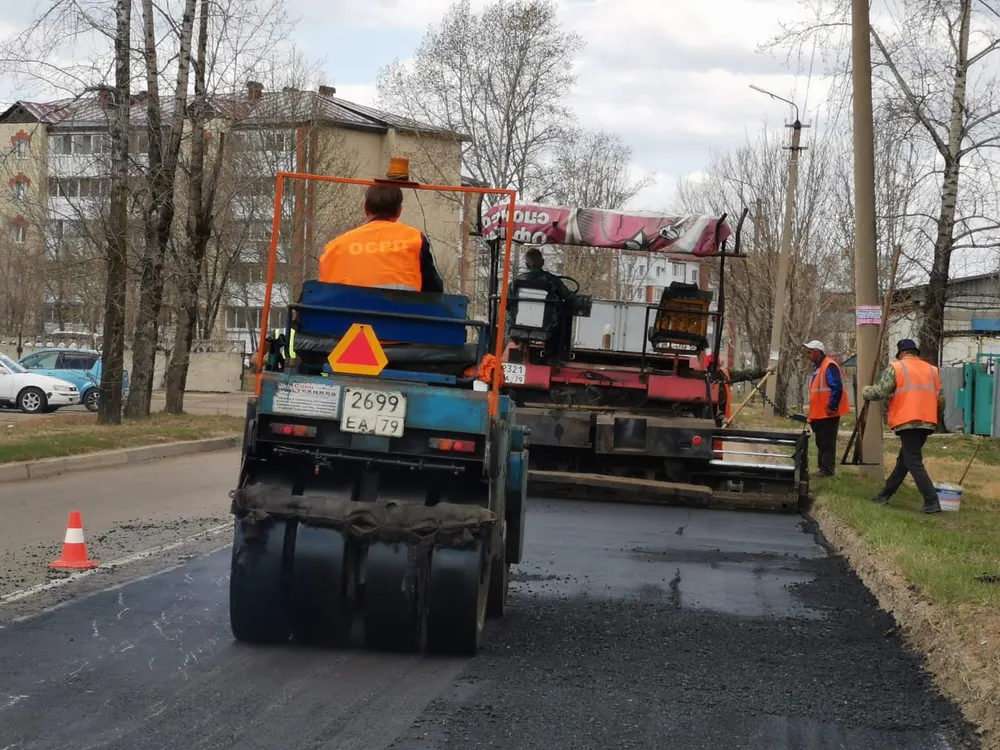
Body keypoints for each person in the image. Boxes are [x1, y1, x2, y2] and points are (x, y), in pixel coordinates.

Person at [863, 339, 945, 514]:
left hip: (908, 421)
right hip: (927, 421)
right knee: (904, 461)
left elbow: (880, 391)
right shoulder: (932, 370)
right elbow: (941, 399)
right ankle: (884, 495)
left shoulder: (897, 367)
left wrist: (866, 391)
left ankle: (932, 501)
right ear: (916, 352)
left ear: (901, 354)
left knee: (913, 462)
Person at [318, 184, 444, 293]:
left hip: (345, 320)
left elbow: (320, 293)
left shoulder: (337, 246)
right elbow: (433, 290)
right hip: (402, 318)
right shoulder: (414, 239)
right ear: (399, 211)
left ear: (366, 209)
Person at [804, 340, 850, 478]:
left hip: (828, 413)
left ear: (818, 352)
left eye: (810, 352)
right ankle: (823, 469)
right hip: (819, 413)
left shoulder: (829, 366)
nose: (808, 355)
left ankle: (827, 470)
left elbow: (836, 387)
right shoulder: (819, 367)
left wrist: (832, 406)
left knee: (827, 442)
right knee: (821, 442)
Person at [706, 354, 771, 423]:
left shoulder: (725, 373)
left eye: (718, 365)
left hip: (724, 422)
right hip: (708, 420)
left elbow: (744, 374)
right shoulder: (702, 380)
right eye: (714, 365)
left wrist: (764, 371)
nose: (717, 367)